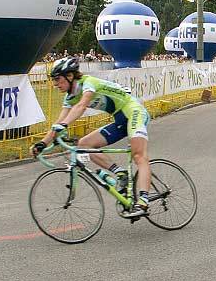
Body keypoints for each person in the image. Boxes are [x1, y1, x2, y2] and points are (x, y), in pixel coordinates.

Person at [31, 57, 151, 217]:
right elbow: (59, 121)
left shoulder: (88, 83)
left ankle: (143, 201)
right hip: (120, 119)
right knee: (83, 144)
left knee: (138, 156)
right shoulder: (70, 97)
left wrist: (65, 124)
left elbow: (81, 106)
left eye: (58, 79)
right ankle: (121, 172)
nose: (55, 84)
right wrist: (42, 143)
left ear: (70, 76)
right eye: (54, 80)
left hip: (134, 111)